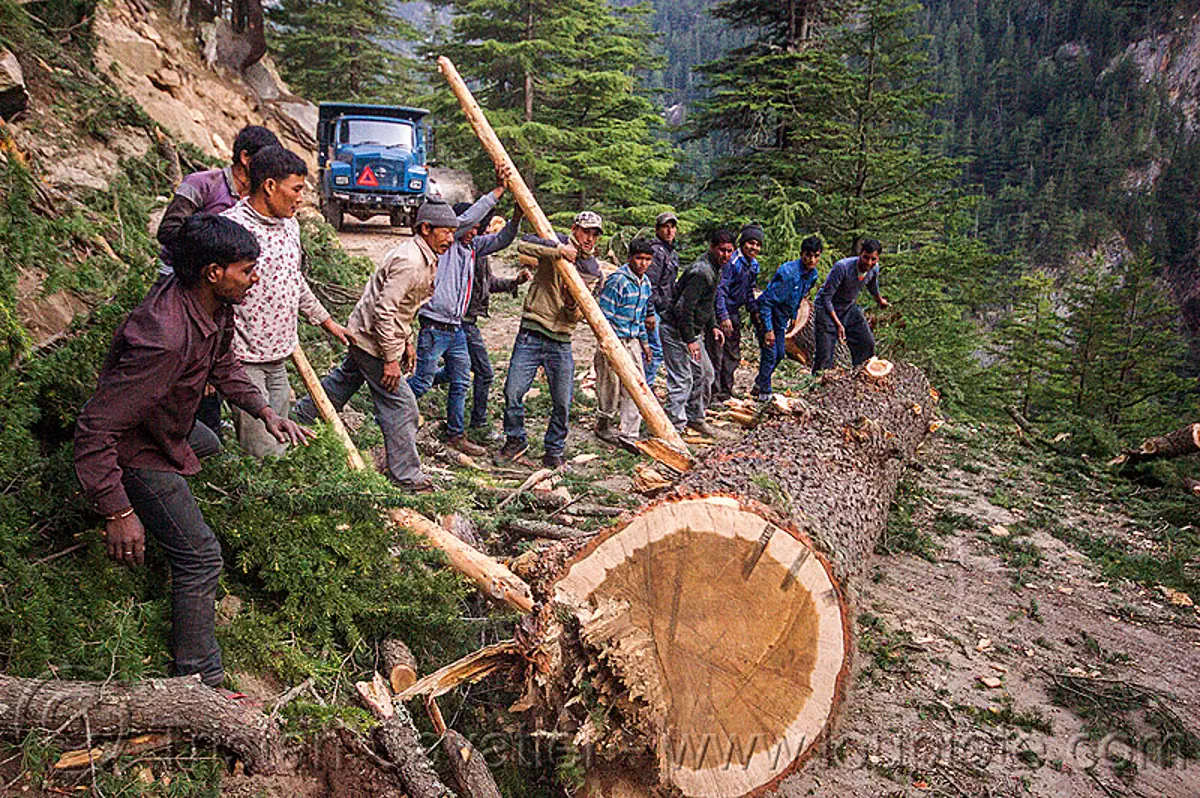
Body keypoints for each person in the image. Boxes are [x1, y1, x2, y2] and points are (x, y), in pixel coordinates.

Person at [74, 214, 314, 694]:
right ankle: (199, 681)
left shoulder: (212, 304)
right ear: (213, 272)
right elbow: (94, 429)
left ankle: (169, 511)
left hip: (169, 431)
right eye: (247, 270)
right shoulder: (164, 337)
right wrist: (117, 509)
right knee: (201, 556)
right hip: (138, 450)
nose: (255, 278)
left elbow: (223, 362)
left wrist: (264, 410)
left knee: (212, 444)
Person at [294, 199, 460, 491]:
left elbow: (404, 308)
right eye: (445, 232)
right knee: (403, 406)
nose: (450, 238)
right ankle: (406, 477)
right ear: (425, 228)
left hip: (368, 336)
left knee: (341, 384)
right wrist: (391, 359)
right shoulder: (410, 262)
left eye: (452, 232)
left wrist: (407, 341)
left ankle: (297, 419)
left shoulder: (424, 256)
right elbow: (384, 311)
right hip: (372, 341)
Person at [221, 146, 349, 458]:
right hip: (242, 358)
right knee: (261, 450)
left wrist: (326, 321)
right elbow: (211, 298)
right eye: (296, 189)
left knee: (279, 439)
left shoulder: (290, 225)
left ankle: (276, 497)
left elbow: (293, 280)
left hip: (279, 355)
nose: (301, 198)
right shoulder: (231, 229)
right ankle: (261, 503)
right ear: (269, 186)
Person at [156, 124, 281, 436]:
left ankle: (206, 434)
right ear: (244, 157)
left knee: (216, 362)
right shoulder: (203, 184)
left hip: (222, 292)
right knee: (186, 363)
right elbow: (168, 230)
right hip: (185, 285)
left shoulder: (255, 198)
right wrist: (209, 248)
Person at [408, 167, 518, 457]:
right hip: (433, 325)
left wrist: (517, 216)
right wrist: (496, 192)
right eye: (470, 226)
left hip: (455, 327)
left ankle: (456, 434)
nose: (475, 231)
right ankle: (389, 408)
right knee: (421, 380)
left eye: (478, 228)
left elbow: (501, 240)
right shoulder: (449, 243)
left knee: (460, 381)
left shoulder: (472, 248)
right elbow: (466, 221)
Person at [500, 211, 605, 468]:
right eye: (585, 232)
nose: (589, 238)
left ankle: (554, 449)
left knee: (562, 401)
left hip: (561, 339)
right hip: (532, 331)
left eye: (594, 234)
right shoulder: (553, 239)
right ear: (574, 229)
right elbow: (524, 244)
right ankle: (515, 439)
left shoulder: (592, 269)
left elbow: (580, 313)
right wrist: (559, 251)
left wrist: (571, 306)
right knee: (513, 392)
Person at [436, 211, 530, 443]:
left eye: (483, 228)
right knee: (484, 373)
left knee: (453, 373)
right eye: (478, 227)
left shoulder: (478, 252)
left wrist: (513, 283)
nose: (482, 233)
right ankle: (477, 421)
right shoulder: (466, 252)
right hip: (462, 323)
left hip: (466, 322)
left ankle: (414, 386)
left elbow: (488, 284)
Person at [660, 229, 734, 436]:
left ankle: (695, 418)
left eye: (729, 251)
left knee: (705, 373)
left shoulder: (715, 269)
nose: (725, 255)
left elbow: (706, 303)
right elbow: (684, 309)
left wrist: (712, 326)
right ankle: (672, 430)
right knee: (682, 378)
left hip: (692, 332)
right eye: (722, 250)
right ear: (712, 247)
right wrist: (690, 339)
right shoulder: (701, 272)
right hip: (675, 331)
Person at [594, 238, 654, 448]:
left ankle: (630, 433)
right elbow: (604, 316)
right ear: (630, 258)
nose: (643, 264)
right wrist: (607, 344)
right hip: (614, 339)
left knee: (636, 385)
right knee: (609, 385)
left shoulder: (645, 283)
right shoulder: (617, 280)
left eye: (647, 259)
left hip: (633, 339)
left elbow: (641, 318)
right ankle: (603, 423)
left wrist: (645, 344)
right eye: (639, 258)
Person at [753, 236, 823, 401]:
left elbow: (800, 297)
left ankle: (758, 384)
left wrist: (793, 316)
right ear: (801, 254)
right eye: (808, 255)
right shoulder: (788, 273)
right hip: (766, 314)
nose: (811, 259)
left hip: (782, 317)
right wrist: (768, 329)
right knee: (770, 353)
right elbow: (765, 302)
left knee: (779, 353)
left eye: (816, 256)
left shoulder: (812, 275)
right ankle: (764, 393)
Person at [811, 238, 891, 374]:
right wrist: (838, 324)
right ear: (860, 254)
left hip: (848, 307)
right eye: (866, 258)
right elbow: (826, 297)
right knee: (825, 357)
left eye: (873, 259)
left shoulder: (874, 269)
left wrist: (880, 300)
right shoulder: (843, 267)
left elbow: (872, 285)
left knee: (866, 343)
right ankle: (818, 385)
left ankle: (861, 375)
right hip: (826, 309)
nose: (869, 263)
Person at [709, 223, 764, 403]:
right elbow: (720, 290)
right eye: (750, 243)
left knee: (732, 354)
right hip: (721, 312)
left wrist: (754, 310)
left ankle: (726, 390)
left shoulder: (753, 265)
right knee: (717, 354)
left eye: (757, 244)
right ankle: (713, 394)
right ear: (742, 243)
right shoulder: (732, 262)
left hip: (734, 313)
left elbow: (749, 291)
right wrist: (723, 316)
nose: (753, 247)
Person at [644, 211, 680, 387]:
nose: (669, 231)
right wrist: (650, 311)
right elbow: (649, 284)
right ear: (657, 229)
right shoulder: (656, 252)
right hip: (653, 309)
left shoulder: (671, 253)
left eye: (672, 227)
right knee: (655, 350)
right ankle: (645, 387)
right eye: (665, 227)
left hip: (663, 308)